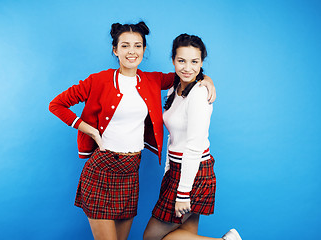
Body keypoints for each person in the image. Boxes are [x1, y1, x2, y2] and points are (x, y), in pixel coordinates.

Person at [49, 22, 216, 240]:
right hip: (102, 170)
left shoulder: (152, 80)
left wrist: (207, 79)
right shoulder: (98, 80)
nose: (132, 51)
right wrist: (88, 129)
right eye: (125, 46)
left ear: (144, 50)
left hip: (130, 173)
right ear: (115, 50)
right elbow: (57, 105)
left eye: (137, 46)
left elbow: (186, 73)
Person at [143, 34, 242, 240]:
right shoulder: (174, 88)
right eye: (182, 61)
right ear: (173, 60)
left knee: (151, 237)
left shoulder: (198, 93)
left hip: (194, 173)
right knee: (185, 234)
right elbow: (175, 137)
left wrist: (182, 193)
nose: (188, 67)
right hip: (179, 170)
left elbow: (195, 146)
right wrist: (169, 171)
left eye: (194, 61)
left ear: (201, 62)